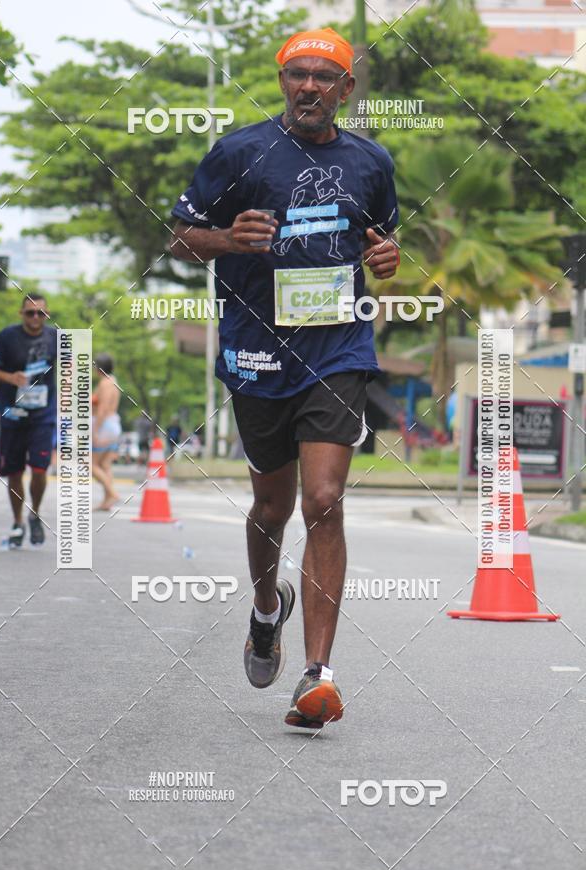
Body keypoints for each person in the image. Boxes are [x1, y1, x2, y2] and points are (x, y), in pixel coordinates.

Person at [170, 27, 399, 729]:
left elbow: (380, 239)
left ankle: (317, 676)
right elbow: (178, 234)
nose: (309, 86)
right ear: (281, 82)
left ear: (345, 90)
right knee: (272, 507)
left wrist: (388, 257)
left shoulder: (371, 162)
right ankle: (267, 609)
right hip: (257, 353)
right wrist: (224, 238)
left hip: (338, 351)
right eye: (297, 74)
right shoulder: (239, 152)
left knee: (323, 500)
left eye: (324, 77)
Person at [0, 293, 57, 547]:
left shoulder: (56, 338)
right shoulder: (7, 336)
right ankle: (18, 522)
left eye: (41, 313)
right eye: (30, 312)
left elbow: (73, 367)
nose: (36, 317)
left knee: (39, 469)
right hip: (13, 415)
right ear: (21, 314)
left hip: (43, 415)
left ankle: (34, 513)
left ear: (47, 315)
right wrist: (10, 378)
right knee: (14, 472)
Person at [92, 353, 121, 511]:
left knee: (90, 464)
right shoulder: (113, 382)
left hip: (105, 425)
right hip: (112, 424)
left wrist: (95, 430)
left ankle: (112, 493)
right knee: (104, 465)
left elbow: (102, 409)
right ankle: (107, 501)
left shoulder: (105, 384)